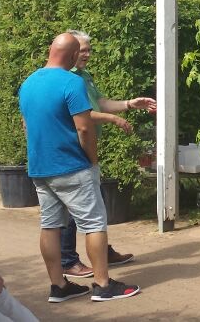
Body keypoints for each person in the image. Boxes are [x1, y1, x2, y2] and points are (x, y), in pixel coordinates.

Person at [18, 33, 141, 302]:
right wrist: (92, 162)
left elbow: (26, 126)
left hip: (40, 168)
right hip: (72, 166)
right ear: (73, 55)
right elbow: (84, 128)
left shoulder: (28, 83)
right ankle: (103, 285)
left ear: (50, 50)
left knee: (50, 226)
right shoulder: (72, 82)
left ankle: (59, 286)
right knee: (94, 224)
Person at [59, 30, 156, 279]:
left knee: (97, 201)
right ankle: (68, 260)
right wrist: (113, 119)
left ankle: (101, 252)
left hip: (87, 146)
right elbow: (82, 115)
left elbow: (99, 103)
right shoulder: (67, 79)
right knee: (75, 207)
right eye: (83, 50)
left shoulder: (84, 76)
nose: (87, 54)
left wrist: (129, 104)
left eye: (89, 50)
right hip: (74, 148)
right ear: (71, 51)